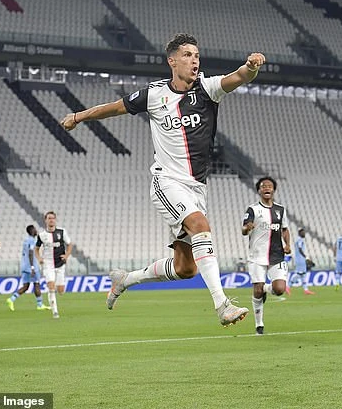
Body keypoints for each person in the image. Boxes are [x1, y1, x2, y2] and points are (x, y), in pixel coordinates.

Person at [61, 33, 266, 326]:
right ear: (172, 61)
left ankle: (126, 279)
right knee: (200, 225)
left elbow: (238, 77)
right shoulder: (154, 94)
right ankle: (222, 305)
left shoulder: (207, 89)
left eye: (197, 55)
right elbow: (115, 108)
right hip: (167, 182)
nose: (194, 61)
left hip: (197, 189)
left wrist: (251, 67)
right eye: (187, 55)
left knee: (186, 269)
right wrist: (78, 116)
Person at [242, 177, 292, 335]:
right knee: (257, 292)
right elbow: (244, 230)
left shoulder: (280, 210)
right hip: (257, 256)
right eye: (263, 186)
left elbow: (285, 229)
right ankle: (259, 325)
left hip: (277, 255)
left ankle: (264, 288)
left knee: (279, 289)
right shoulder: (253, 209)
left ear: (274, 190)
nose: (266, 188)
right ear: (259, 190)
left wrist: (288, 244)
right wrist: (247, 228)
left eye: (269, 186)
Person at [35, 211, 72, 319]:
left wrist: (66, 255)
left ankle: (56, 287)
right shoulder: (42, 235)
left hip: (60, 264)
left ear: (55, 220)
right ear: (45, 220)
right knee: (51, 286)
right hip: (48, 264)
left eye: (53, 218)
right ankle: (55, 311)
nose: (51, 220)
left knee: (61, 291)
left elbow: (69, 244)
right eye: (49, 218)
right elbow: (36, 249)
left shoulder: (62, 232)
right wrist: (39, 258)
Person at [7, 225, 50, 311]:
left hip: (25, 266)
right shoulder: (32, 240)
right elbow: (31, 253)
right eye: (34, 229)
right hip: (31, 267)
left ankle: (11, 299)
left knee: (26, 286)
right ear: (31, 231)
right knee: (36, 284)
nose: (36, 230)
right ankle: (40, 305)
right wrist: (32, 267)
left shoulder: (26, 240)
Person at [292, 228, 315, 295]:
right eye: (303, 232)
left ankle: (306, 290)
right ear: (299, 233)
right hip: (300, 259)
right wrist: (306, 257)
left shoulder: (299, 240)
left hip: (300, 259)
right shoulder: (300, 240)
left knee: (303, 274)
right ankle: (288, 286)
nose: (304, 233)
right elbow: (300, 249)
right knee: (300, 273)